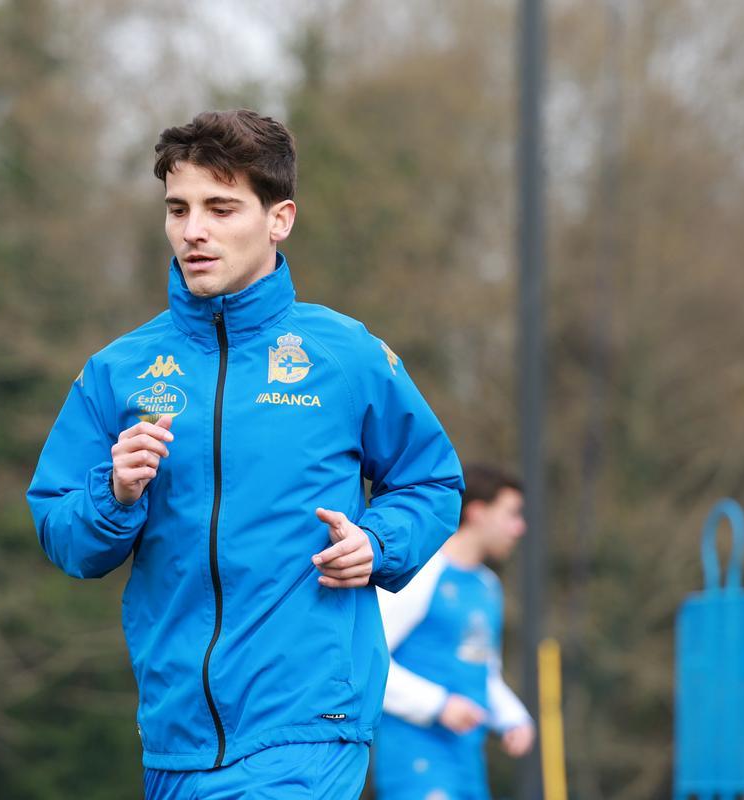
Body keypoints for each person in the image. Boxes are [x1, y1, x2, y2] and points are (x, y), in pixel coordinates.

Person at [26, 109, 464, 798]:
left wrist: (378, 543)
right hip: (176, 735)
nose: (193, 230)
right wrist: (114, 496)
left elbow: (433, 482)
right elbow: (62, 531)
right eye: (178, 208)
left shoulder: (346, 356)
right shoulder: (119, 370)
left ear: (279, 218)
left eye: (220, 207)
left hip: (308, 726)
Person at [373, 464, 535, 800]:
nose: (519, 527)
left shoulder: (487, 587)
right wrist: (438, 705)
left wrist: (513, 717)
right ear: (477, 512)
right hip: (415, 760)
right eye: (511, 514)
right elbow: (371, 660)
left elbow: (483, 672)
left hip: (467, 760)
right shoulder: (421, 572)